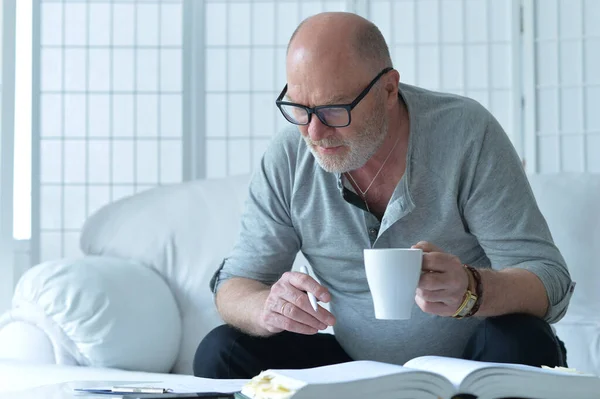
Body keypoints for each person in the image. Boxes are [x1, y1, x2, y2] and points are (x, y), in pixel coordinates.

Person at [193, 12, 574, 379]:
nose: (314, 132)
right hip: (352, 365)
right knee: (222, 352)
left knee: (523, 342)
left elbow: (549, 280)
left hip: (471, 361)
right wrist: (268, 308)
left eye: (332, 110)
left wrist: (472, 290)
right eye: (299, 108)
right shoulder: (290, 155)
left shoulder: (465, 134)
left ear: (388, 89)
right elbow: (234, 285)